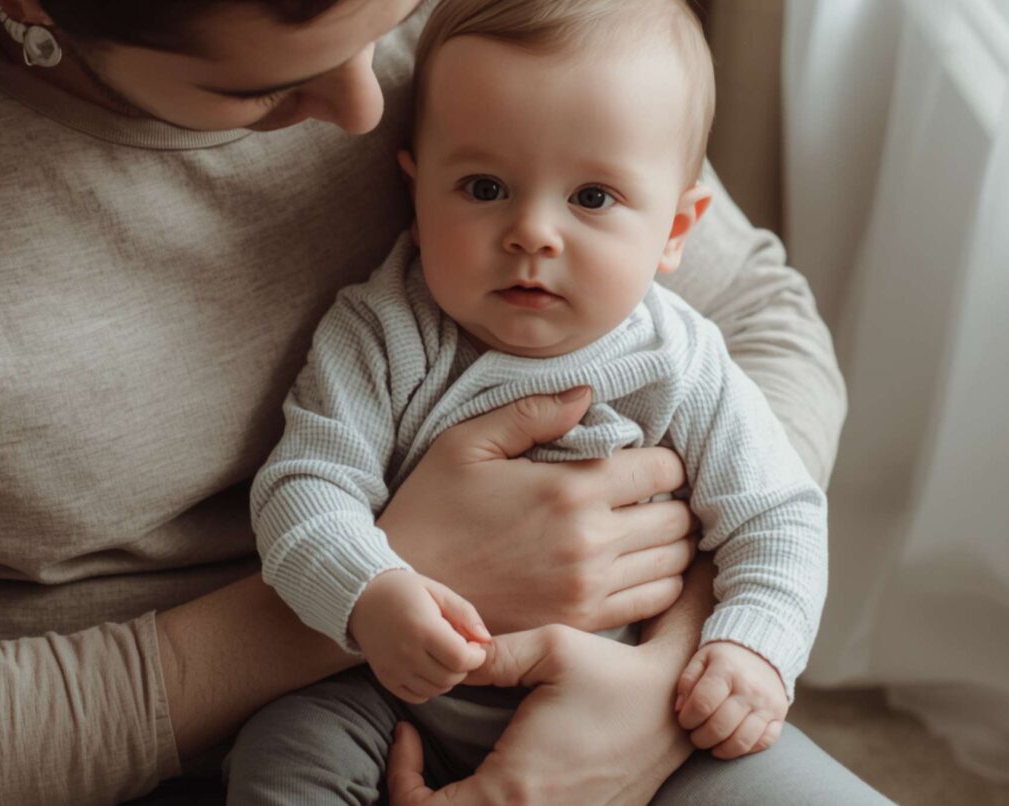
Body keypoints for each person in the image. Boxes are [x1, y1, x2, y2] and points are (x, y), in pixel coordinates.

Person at [0, 0, 878, 804]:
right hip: (276, 713)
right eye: (264, 85)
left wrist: (691, 664)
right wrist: (396, 580)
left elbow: (764, 342)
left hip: (624, 676)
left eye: (392, 19)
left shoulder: (668, 335)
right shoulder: (387, 326)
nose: (367, 107)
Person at [226, 0, 828, 801]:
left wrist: (752, 648)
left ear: (677, 228)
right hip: (392, 693)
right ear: (416, 193)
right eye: (484, 187)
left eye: (592, 198)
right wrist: (370, 591)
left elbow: (778, 514)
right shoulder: (383, 331)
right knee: (281, 754)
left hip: (632, 696)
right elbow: (305, 488)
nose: (533, 232)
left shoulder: (681, 361)